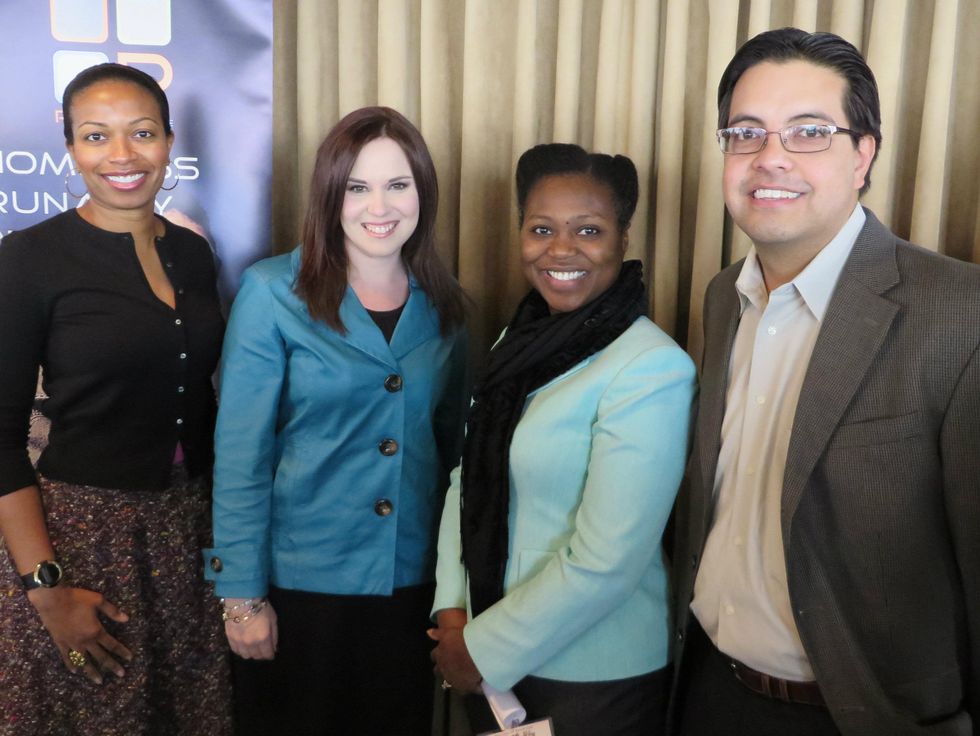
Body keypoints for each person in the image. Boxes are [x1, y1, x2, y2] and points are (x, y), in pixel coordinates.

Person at [670, 27, 980, 736]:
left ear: (863, 155)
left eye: (809, 132)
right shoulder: (725, 297)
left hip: (861, 716)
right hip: (708, 693)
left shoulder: (960, 313)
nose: (770, 157)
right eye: (745, 133)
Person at [205, 106, 468, 736]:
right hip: (298, 589)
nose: (380, 205)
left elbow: (454, 454)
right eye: (358, 187)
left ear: (422, 193)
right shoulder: (272, 293)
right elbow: (241, 457)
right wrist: (241, 599)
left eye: (398, 184)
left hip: (409, 586)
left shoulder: (448, 305)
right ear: (331, 195)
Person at [429, 143, 697, 735]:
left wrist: (479, 649)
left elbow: (608, 562)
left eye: (589, 230)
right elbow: (467, 475)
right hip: (484, 646)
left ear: (623, 240)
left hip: (591, 674)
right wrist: (452, 611)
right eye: (541, 228)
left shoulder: (651, 368)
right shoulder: (518, 340)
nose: (561, 249)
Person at [0, 63, 231, 733]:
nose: (122, 156)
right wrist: (48, 593)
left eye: (142, 133)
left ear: (169, 140)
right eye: (97, 137)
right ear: (70, 147)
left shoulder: (192, 253)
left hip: (189, 536)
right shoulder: (29, 259)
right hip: (81, 541)